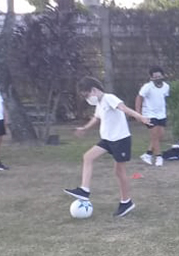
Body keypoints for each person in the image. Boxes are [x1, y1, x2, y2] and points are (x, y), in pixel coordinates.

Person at [64, 77, 153, 217]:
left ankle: (126, 202)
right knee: (88, 157)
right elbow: (96, 118)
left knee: (119, 172)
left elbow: (123, 108)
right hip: (107, 140)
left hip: (120, 140)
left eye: (87, 95)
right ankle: (84, 190)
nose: (87, 99)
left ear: (94, 90)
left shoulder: (109, 98)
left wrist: (140, 117)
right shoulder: (99, 104)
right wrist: (85, 128)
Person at [136, 66, 170, 166]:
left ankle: (148, 154)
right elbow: (139, 98)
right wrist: (138, 114)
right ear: (151, 78)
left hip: (161, 114)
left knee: (160, 135)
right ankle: (159, 157)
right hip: (149, 114)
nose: (157, 79)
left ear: (162, 76)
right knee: (154, 135)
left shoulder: (166, 87)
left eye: (159, 76)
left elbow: (163, 98)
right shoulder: (147, 87)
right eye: (155, 77)